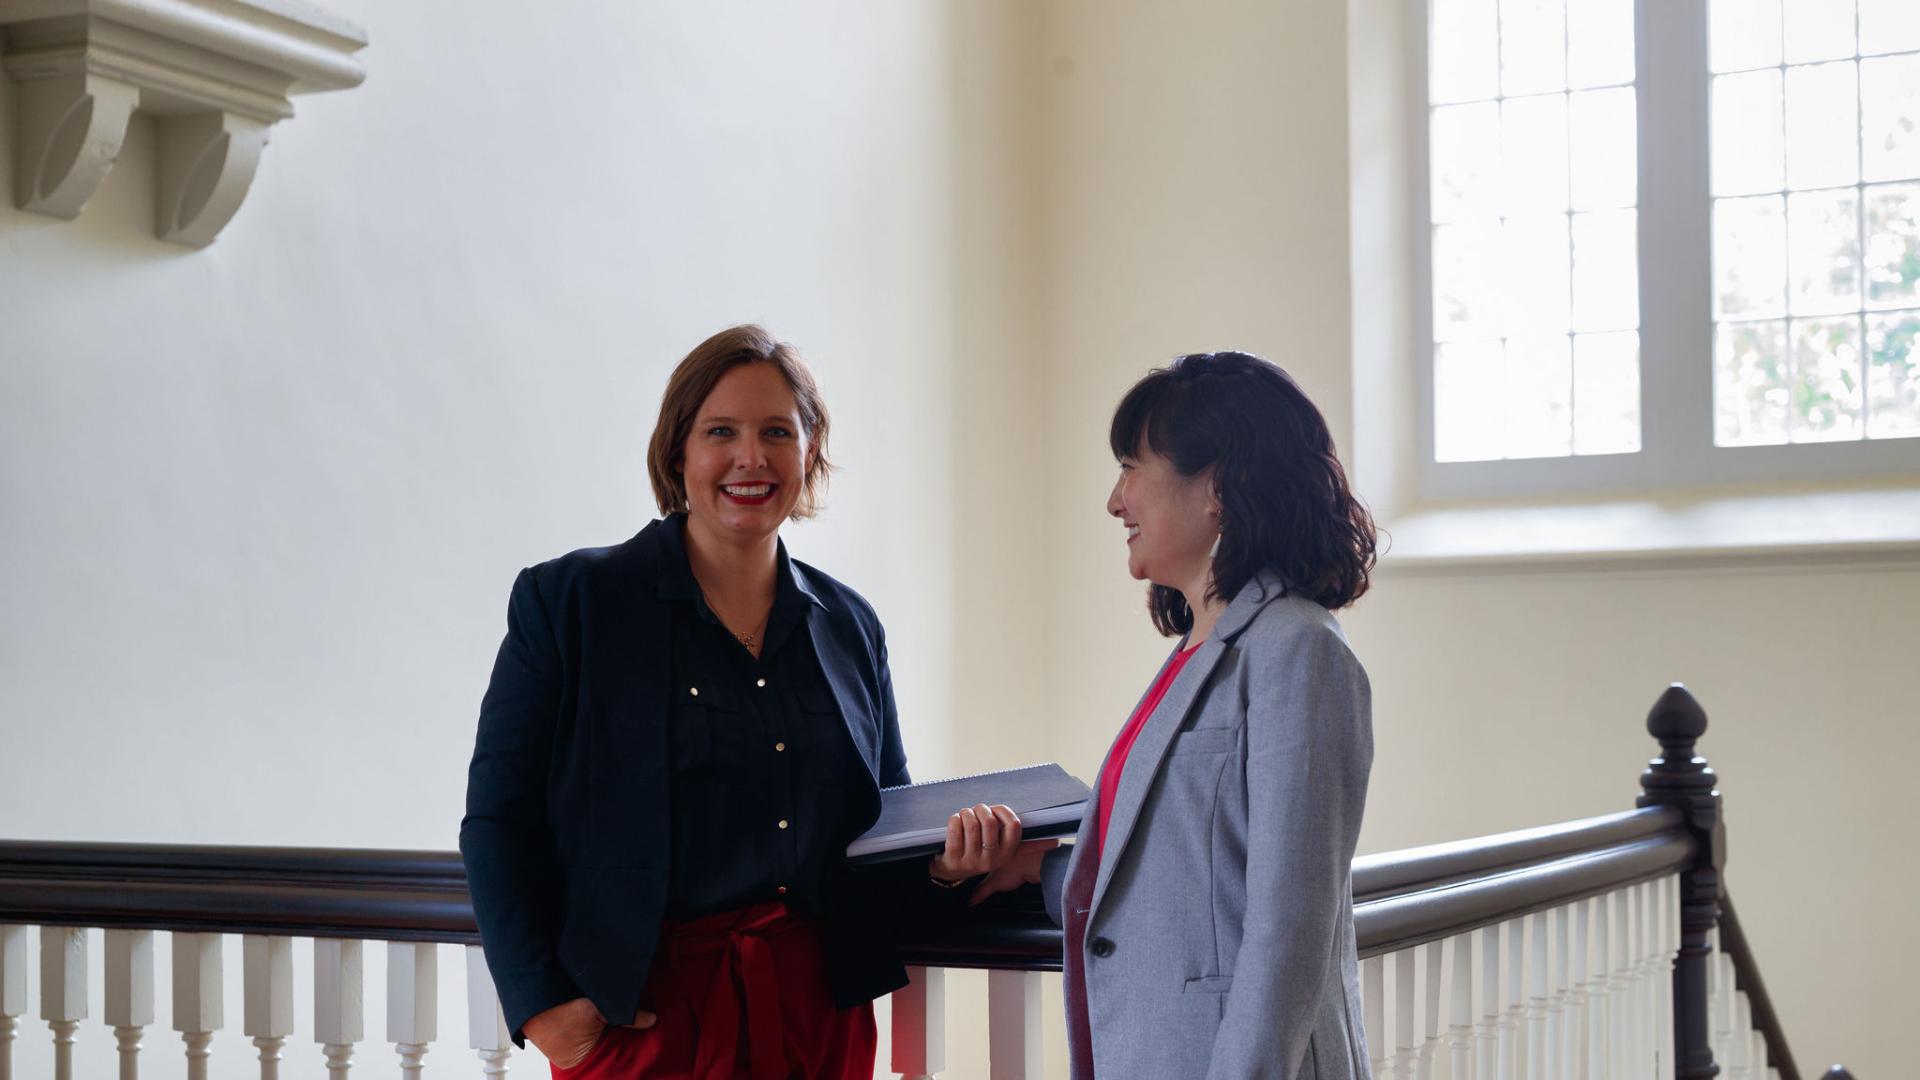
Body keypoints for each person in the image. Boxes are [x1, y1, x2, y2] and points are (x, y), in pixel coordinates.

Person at [460, 325, 1021, 1079]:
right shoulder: (571, 604)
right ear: (678, 453)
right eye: (721, 431)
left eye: (776, 433)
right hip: (641, 1026)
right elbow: (499, 822)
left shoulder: (852, 625)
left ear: (809, 454)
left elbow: (882, 834)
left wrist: (948, 870)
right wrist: (544, 1010)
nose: (750, 459)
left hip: (820, 1020)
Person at [972, 350, 1379, 1079]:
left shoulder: (1300, 651)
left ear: (1219, 484)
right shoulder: (1199, 649)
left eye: (1131, 467)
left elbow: (1290, 931)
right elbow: (1186, 884)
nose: (1114, 500)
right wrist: (1042, 869)